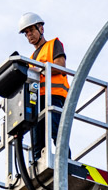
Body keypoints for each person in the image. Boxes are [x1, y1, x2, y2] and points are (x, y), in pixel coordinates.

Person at [17, 12, 69, 162]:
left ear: (41, 29)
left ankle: (64, 162)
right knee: (37, 137)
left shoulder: (53, 44)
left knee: (55, 131)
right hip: (37, 99)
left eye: (31, 30)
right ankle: (36, 164)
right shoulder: (32, 57)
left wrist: (40, 70)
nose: (29, 35)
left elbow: (60, 66)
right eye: (26, 33)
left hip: (54, 95)